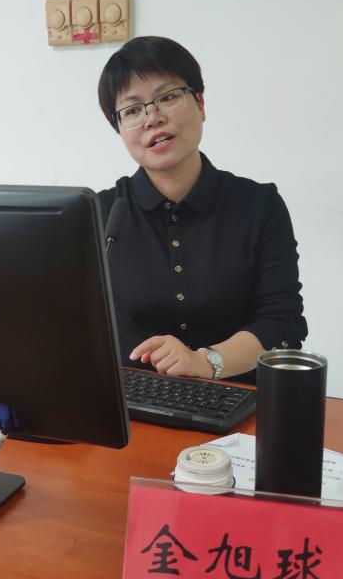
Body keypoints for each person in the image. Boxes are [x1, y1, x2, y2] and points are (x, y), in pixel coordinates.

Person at [96, 36, 307, 385]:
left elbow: (283, 323)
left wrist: (206, 361)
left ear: (200, 103)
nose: (153, 118)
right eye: (132, 110)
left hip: (239, 402)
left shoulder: (259, 205)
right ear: (119, 130)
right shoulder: (100, 215)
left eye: (167, 97)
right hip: (133, 408)